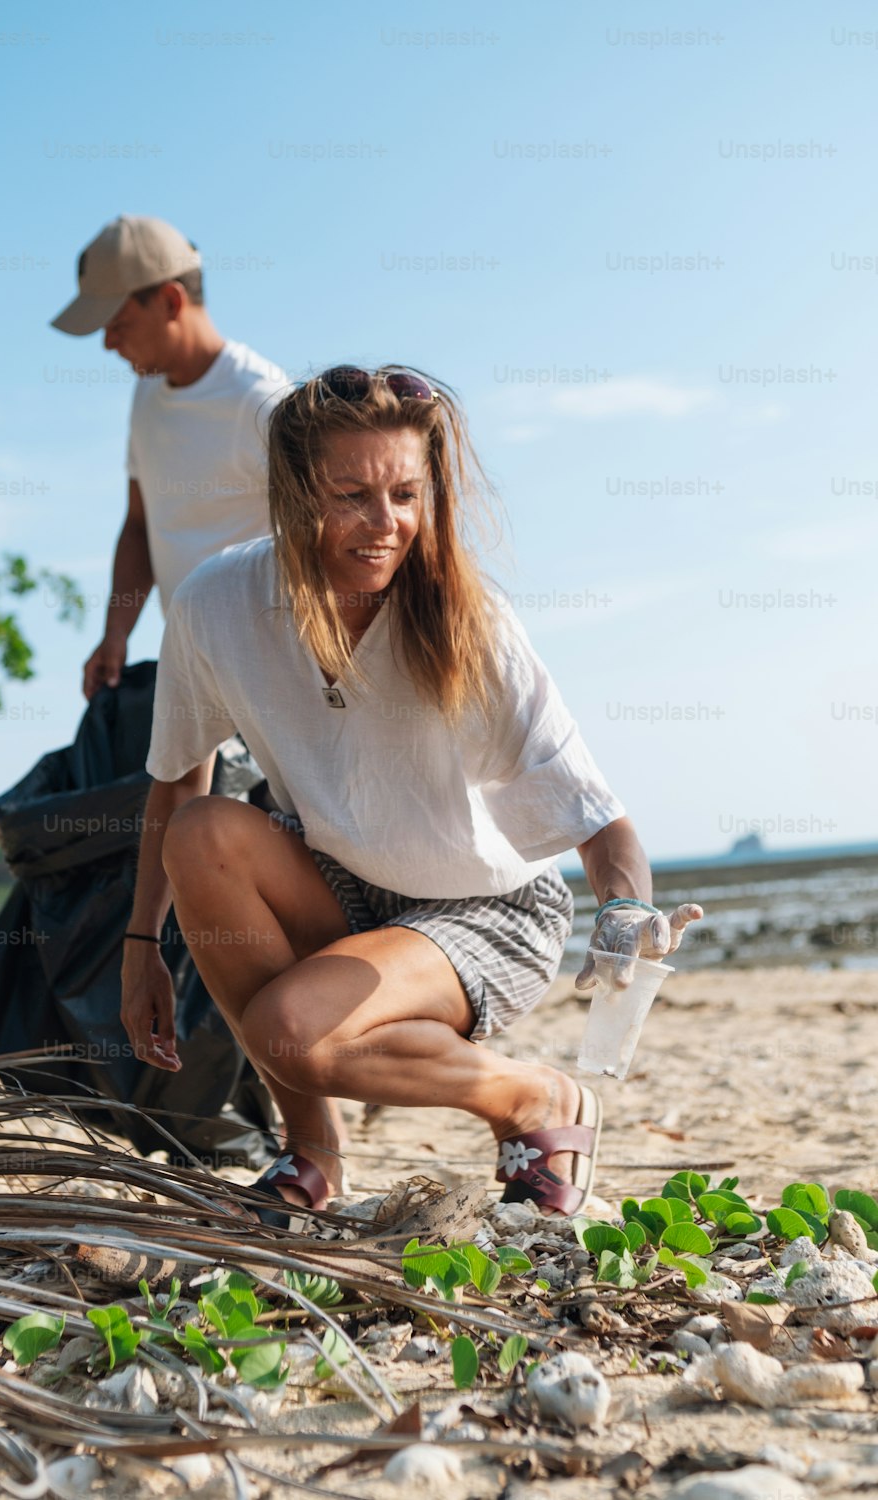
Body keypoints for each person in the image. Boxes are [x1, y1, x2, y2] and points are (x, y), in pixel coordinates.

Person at [120, 365, 703, 1226]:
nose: (383, 524)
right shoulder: (215, 605)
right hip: (342, 886)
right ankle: (310, 1150)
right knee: (206, 831)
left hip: (484, 911)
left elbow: (599, 821)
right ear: (290, 494)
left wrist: (624, 916)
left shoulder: (472, 620)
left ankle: (537, 1100)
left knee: (294, 1030)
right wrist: (141, 943)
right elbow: (175, 780)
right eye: (350, 494)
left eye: (404, 493)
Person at [50, 213, 289, 699]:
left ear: (170, 301)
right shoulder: (146, 395)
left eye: (118, 324)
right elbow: (141, 524)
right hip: (192, 672)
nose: (108, 343)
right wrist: (116, 634)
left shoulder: (263, 403)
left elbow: (327, 544)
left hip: (272, 681)